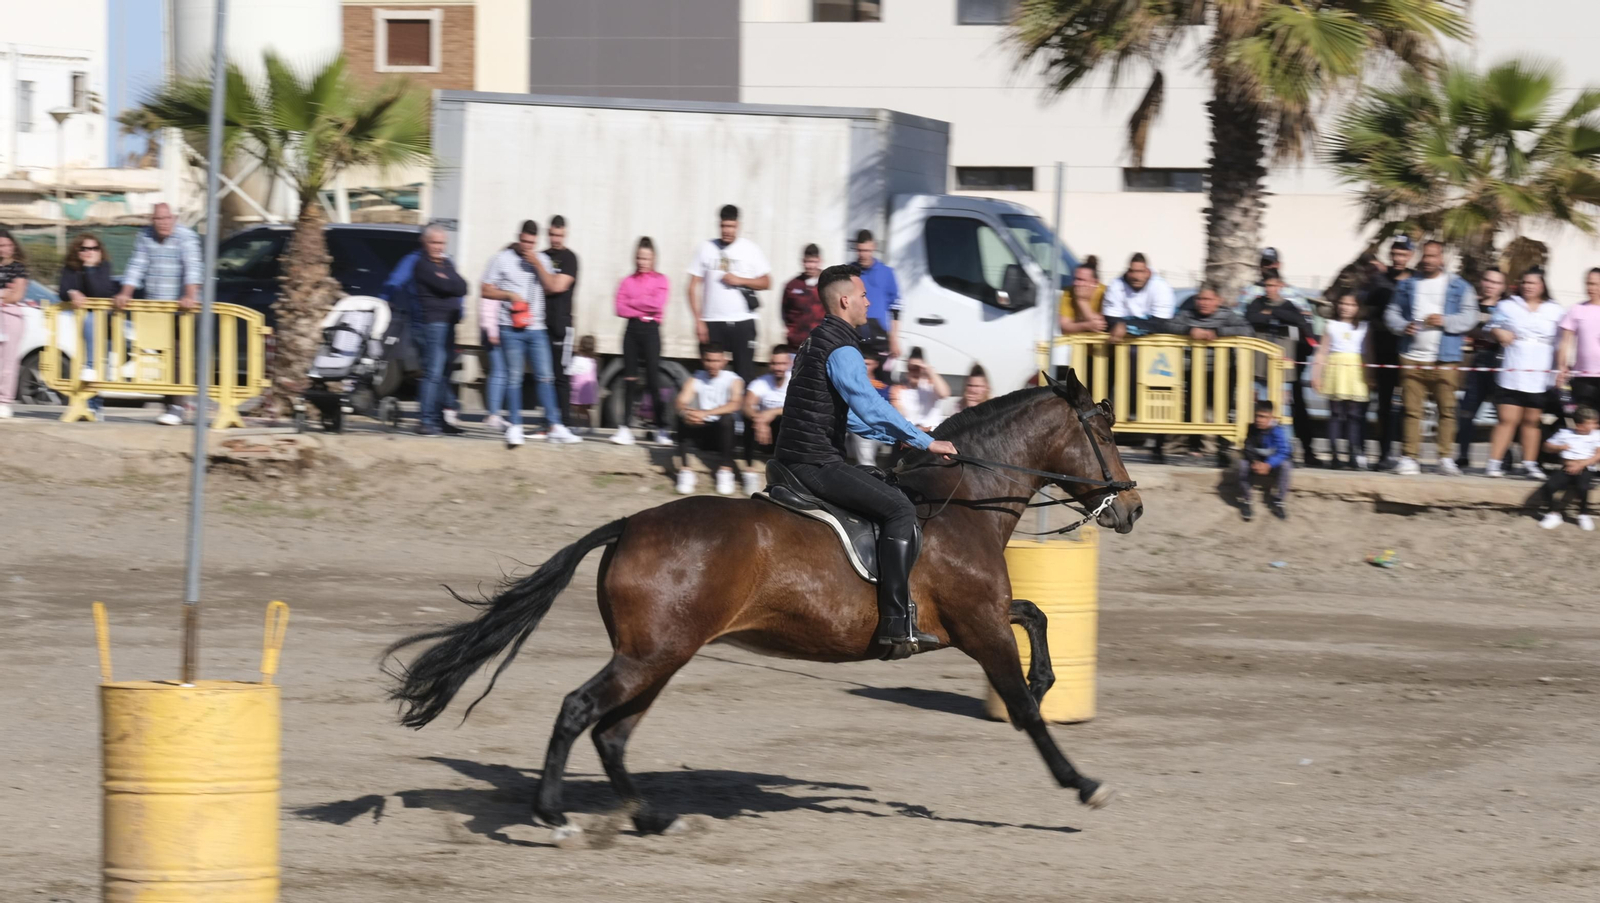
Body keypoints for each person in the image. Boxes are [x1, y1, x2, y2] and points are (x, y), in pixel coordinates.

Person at [773, 263, 959, 658]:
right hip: (814, 464)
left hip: (794, 459)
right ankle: (897, 622)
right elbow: (870, 405)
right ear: (845, 301)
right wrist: (923, 440)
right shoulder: (842, 347)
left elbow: (852, 417)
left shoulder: (814, 341)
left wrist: (901, 437)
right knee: (899, 509)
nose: (869, 301)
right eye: (863, 296)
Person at [479, 220, 583, 446]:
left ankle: (555, 425)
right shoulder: (501, 259)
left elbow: (552, 287)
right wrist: (509, 296)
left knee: (546, 377)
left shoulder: (542, 259)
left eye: (532, 243)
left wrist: (537, 263)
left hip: (537, 329)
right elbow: (485, 289)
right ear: (518, 237)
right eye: (524, 241)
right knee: (515, 378)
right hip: (510, 328)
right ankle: (515, 426)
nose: (527, 246)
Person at [1383, 240, 1478, 476]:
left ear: (1442, 259)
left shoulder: (1459, 286)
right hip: (1411, 357)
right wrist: (1402, 326)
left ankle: (1445, 458)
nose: (1428, 260)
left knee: (1446, 410)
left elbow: (1471, 316)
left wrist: (1446, 321)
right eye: (1425, 256)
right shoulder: (1407, 285)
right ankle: (1409, 457)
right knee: (1411, 410)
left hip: (1445, 359)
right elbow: (1391, 313)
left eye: (1433, 256)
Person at [113, 203, 202, 425]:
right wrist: (125, 293)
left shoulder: (186, 237)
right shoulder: (145, 236)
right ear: (152, 220)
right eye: (157, 219)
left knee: (179, 354)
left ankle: (177, 406)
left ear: (174, 217)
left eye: (166, 218)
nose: (162, 223)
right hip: (156, 307)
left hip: (182, 308)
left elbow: (192, 268)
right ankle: (171, 404)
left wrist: (189, 295)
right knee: (162, 355)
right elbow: (137, 265)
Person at [1485, 267, 1565, 479]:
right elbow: (1491, 326)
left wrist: (1561, 369)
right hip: (1512, 371)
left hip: (1539, 374)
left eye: (1533, 283)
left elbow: (1561, 342)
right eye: (1525, 282)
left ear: (1542, 286)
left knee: (1532, 421)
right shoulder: (1507, 305)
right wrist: (1497, 331)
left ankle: (1530, 463)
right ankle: (1494, 462)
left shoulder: (1555, 310)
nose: (1528, 286)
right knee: (1507, 419)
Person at [1243, 256, 1321, 467]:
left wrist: (1272, 312)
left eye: (1273, 285)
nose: (1270, 288)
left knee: (1283, 415)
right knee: (1257, 412)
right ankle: (1256, 453)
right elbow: (1251, 318)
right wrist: (1274, 316)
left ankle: (1284, 453)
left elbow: (1299, 321)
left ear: (1280, 285)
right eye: (1266, 285)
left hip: (1283, 372)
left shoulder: (1291, 304)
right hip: (1258, 369)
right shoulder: (1254, 303)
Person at [688, 204, 770, 382]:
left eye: (731, 226)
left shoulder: (750, 249)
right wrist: (698, 321)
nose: (727, 231)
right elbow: (692, 286)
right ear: (719, 225)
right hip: (712, 322)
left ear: (738, 225)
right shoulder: (705, 248)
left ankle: (740, 410)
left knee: (744, 375)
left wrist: (740, 280)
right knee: (711, 376)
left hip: (742, 322)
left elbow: (766, 282)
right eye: (724, 226)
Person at [412, 224, 471, 438]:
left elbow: (463, 286)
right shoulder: (422, 265)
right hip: (434, 324)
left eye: (442, 243)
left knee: (444, 375)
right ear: (425, 243)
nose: (439, 247)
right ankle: (426, 420)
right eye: (434, 242)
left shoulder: (446, 264)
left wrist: (450, 281)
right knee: (433, 374)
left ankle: (439, 420)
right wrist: (449, 282)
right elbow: (446, 287)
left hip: (449, 324)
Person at [611, 236, 671, 447]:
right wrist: (642, 308)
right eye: (639, 258)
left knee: (653, 381)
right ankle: (625, 428)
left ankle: (661, 428)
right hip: (632, 332)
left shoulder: (662, 280)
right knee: (630, 380)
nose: (642, 262)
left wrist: (634, 304)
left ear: (653, 258)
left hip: (651, 332)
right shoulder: (627, 281)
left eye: (646, 258)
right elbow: (619, 308)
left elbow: (657, 304)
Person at [1311, 290, 1373, 470]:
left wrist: (1370, 376)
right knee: (1336, 414)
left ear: (1358, 308)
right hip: (1335, 369)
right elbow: (1322, 351)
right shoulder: (1330, 325)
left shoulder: (1364, 327)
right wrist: (1316, 374)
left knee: (1355, 415)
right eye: (1343, 303)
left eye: (1352, 305)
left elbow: (1369, 352)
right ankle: (1335, 453)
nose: (1346, 308)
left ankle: (1354, 452)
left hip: (1356, 371)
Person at [59, 233, 120, 414]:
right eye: (84, 248)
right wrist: (72, 292)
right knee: (83, 365)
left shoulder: (103, 267)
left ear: (100, 251)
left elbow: (99, 292)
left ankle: (94, 404)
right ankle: (86, 404)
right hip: (77, 325)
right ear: (77, 251)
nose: (89, 252)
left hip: (103, 325)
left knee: (95, 365)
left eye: (94, 248)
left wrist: (90, 268)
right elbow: (63, 289)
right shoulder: (70, 269)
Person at [675, 343, 746, 496]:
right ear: (703, 360)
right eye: (709, 360)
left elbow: (735, 404)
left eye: (716, 361)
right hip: (704, 429)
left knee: (727, 419)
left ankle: (725, 471)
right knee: (681, 418)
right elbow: (680, 401)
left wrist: (705, 413)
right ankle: (685, 471)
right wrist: (687, 413)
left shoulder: (734, 380)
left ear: (724, 361)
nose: (712, 364)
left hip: (725, 434)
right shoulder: (696, 378)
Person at [1457, 267, 1509, 469]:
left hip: (1500, 365)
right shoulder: (1472, 306)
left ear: (1502, 286)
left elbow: (1505, 334)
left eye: (1496, 282)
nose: (1490, 285)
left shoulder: (1507, 307)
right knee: (1466, 412)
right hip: (1476, 364)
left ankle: (1503, 457)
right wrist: (1486, 332)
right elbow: (1465, 328)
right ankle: (1462, 455)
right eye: (1487, 280)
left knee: (1504, 416)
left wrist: (1482, 331)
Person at [1533, 406, 1600, 530]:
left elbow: (1598, 454)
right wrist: (1558, 448)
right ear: (1579, 425)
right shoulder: (1565, 433)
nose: (1596, 426)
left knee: (1583, 487)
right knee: (1549, 487)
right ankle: (1553, 514)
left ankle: (1583, 514)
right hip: (1567, 467)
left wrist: (1581, 464)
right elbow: (1546, 446)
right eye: (1592, 423)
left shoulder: (1596, 435)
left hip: (1585, 467)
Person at [741, 343, 793, 493]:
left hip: (784, 435)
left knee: (789, 419)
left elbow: (800, 408)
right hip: (763, 436)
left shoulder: (794, 382)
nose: (779, 367)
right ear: (770, 364)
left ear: (789, 363)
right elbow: (746, 406)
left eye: (782, 363)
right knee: (748, 419)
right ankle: (750, 472)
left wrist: (772, 413)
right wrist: (759, 419)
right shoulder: (761, 383)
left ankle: (787, 473)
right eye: (775, 363)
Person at [543, 215, 580, 427]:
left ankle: (564, 423)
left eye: (559, 235)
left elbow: (557, 286)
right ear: (548, 234)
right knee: (545, 376)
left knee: (561, 376)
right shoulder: (542, 255)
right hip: (541, 325)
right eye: (552, 235)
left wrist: (543, 273)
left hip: (562, 325)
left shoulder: (570, 259)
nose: (555, 239)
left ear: (564, 234)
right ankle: (550, 421)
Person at [1237, 399, 1292, 522]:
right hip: (1257, 462)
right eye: (1257, 416)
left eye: (1263, 417)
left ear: (1271, 417)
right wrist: (1255, 462)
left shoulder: (1278, 431)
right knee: (1242, 465)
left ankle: (1278, 501)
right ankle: (1246, 500)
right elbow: (1248, 447)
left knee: (1286, 466)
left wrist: (1268, 464)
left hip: (1272, 463)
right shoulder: (1252, 429)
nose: (1259, 419)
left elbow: (1284, 452)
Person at [1102, 252, 1175, 339]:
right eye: (1132, 271)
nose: (1136, 276)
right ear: (1128, 272)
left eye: (1140, 271)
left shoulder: (1162, 287)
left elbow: (1161, 323)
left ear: (1148, 272)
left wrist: (1126, 326)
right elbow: (1110, 318)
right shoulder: (1115, 285)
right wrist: (1121, 325)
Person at [1557, 268, 1600, 416]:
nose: (1591, 288)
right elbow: (1565, 342)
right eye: (1588, 283)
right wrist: (1562, 366)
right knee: (1584, 420)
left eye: (1595, 284)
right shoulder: (1577, 309)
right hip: (1583, 376)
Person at [854, 229, 901, 355]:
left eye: (867, 250)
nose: (863, 255)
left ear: (873, 247)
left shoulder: (887, 273)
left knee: (882, 375)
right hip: (856, 336)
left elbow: (895, 308)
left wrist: (894, 338)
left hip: (880, 337)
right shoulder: (849, 272)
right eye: (860, 250)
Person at [0, 228, 30, 419]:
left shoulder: (18, 268)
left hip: (10, 316)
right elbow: (7, 294)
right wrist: (4, 293)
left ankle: (4, 401)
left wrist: (5, 295)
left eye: (8, 245)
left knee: (8, 361)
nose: (5, 249)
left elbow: (17, 295)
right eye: (2, 245)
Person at [891, 346, 950, 431]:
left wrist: (929, 370)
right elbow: (899, 414)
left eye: (918, 368)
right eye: (911, 368)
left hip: (933, 434)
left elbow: (944, 394)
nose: (915, 371)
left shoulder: (931, 385)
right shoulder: (898, 389)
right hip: (910, 434)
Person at [781, 244, 825, 347]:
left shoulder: (827, 284)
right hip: (796, 343)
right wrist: (792, 332)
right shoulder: (792, 286)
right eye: (807, 262)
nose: (810, 266)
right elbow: (784, 312)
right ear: (802, 261)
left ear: (819, 261)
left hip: (821, 343)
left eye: (813, 262)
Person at [568, 334, 599, 432]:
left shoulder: (577, 359)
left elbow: (571, 371)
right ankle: (591, 427)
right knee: (585, 409)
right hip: (589, 388)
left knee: (576, 408)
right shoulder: (593, 361)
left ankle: (577, 427)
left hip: (578, 387)